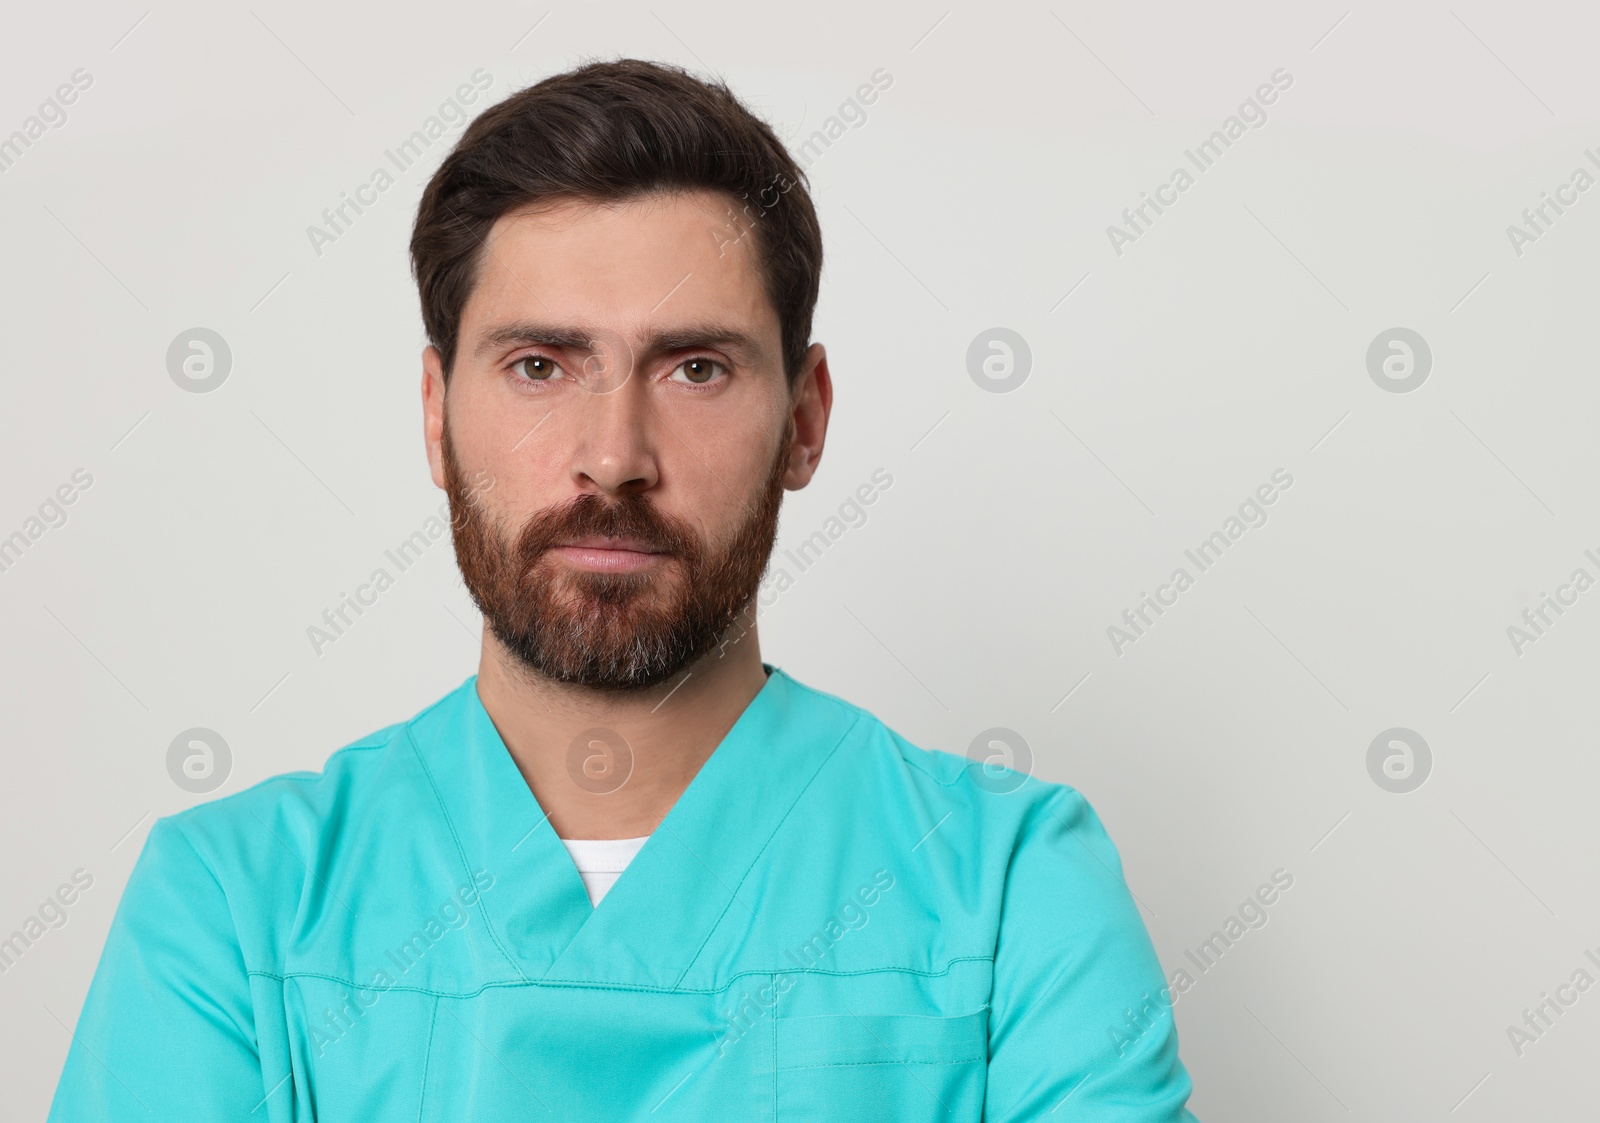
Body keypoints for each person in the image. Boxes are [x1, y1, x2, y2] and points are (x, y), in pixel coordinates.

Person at [48, 58, 1200, 1121]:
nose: (613, 455)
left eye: (694, 367)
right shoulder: (233, 910)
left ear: (803, 421)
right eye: (541, 366)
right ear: (437, 417)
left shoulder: (1006, 888)